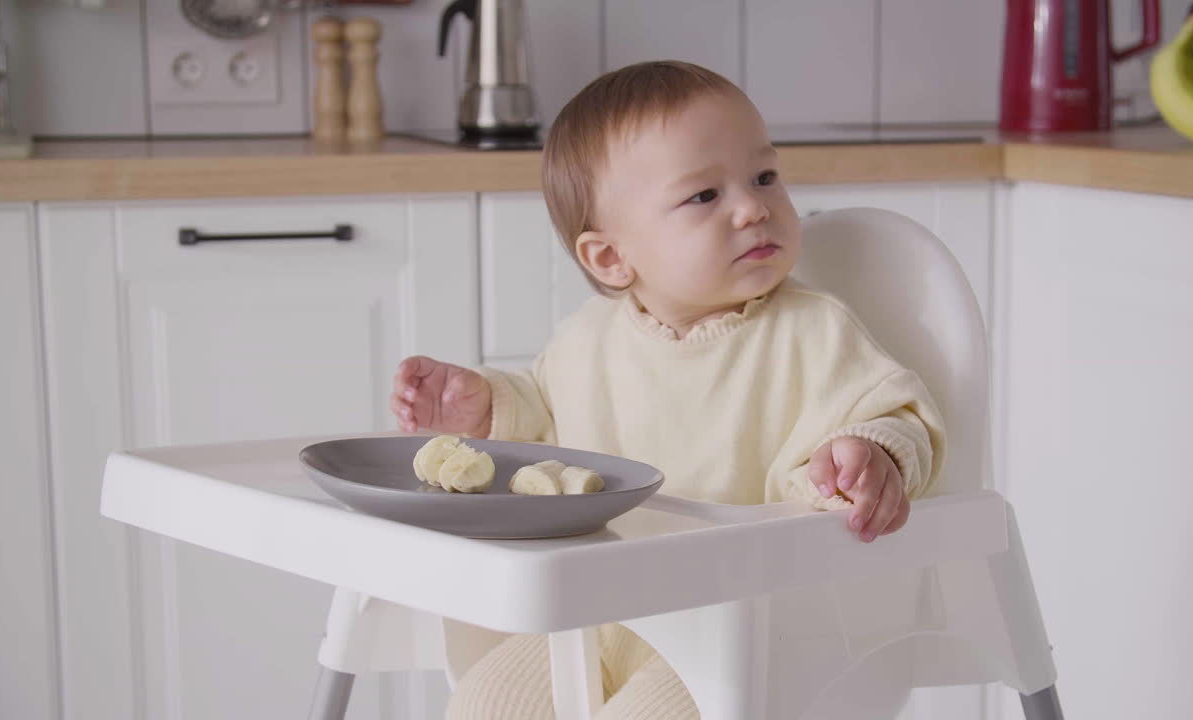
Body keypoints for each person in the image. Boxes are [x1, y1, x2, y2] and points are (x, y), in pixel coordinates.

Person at [390, 60, 946, 720]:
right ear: (611, 258)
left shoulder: (814, 331)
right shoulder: (588, 339)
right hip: (598, 617)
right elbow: (545, 420)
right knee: (484, 705)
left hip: (747, 627)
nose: (754, 207)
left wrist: (871, 454)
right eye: (704, 195)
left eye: (764, 177)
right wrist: (485, 407)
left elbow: (896, 414)